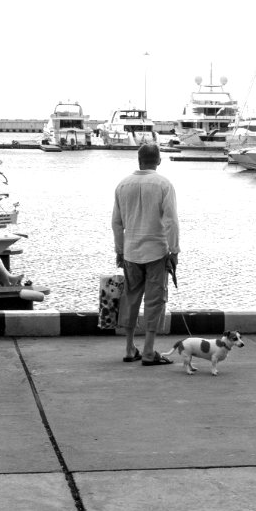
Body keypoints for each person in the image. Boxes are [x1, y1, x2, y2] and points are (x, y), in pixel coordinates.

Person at [112, 143, 180, 366]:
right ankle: (149, 351)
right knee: (154, 301)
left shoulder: (123, 185)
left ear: (138, 159)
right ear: (159, 160)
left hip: (131, 252)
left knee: (131, 299)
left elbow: (116, 223)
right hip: (156, 252)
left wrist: (120, 250)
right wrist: (174, 251)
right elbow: (171, 221)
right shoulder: (163, 184)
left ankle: (130, 348)